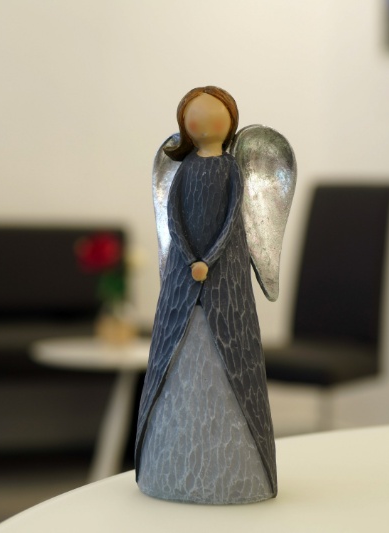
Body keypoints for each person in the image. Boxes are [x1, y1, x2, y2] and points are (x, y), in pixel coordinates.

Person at [135, 86, 277, 505]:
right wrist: (189, 256)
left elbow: (234, 217)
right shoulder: (183, 170)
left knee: (229, 353)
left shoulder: (232, 169)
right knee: (176, 353)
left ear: (230, 121)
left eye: (215, 114)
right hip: (183, 278)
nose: (205, 121)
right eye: (195, 115)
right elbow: (174, 216)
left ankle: (239, 475)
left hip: (225, 279)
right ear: (185, 123)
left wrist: (209, 259)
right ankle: (165, 467)